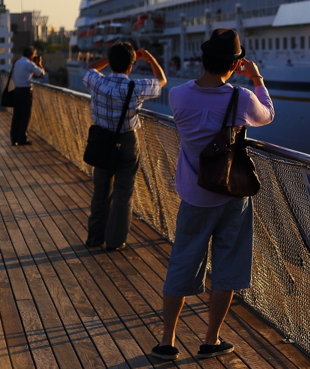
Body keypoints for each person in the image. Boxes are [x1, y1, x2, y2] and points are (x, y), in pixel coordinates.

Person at [152, 29, 274, 362]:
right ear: (235, 64)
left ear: (202, 59)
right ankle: (211, 339)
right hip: (231, 194)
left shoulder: (178, 96)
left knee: (182, 265)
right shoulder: (243, 98)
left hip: (194, 196)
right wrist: (257, 77)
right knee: (227, 268)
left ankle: (167, 342)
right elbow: (267, 115)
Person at [83, 43, 166, 250]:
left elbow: (90, 68)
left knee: (101, 191)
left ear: (110, 63)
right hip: (127, 141)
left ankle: (94, 239)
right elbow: (161, 80)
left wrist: (109, 57)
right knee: (123, 192)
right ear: (131, 66)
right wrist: (149, 58)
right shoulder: (136, 87)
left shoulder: (97, 82)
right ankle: (115, 241)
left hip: (102, 140)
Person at [9, 47, 45, 146]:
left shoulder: (17, 62)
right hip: (25, 91)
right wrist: (39, 63)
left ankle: (14, 138)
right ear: (32, 55)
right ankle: (22, 139)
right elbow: (41, 73)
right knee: (25, 115)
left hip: (16, 91)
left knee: (17, 115)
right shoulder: (29, 64)